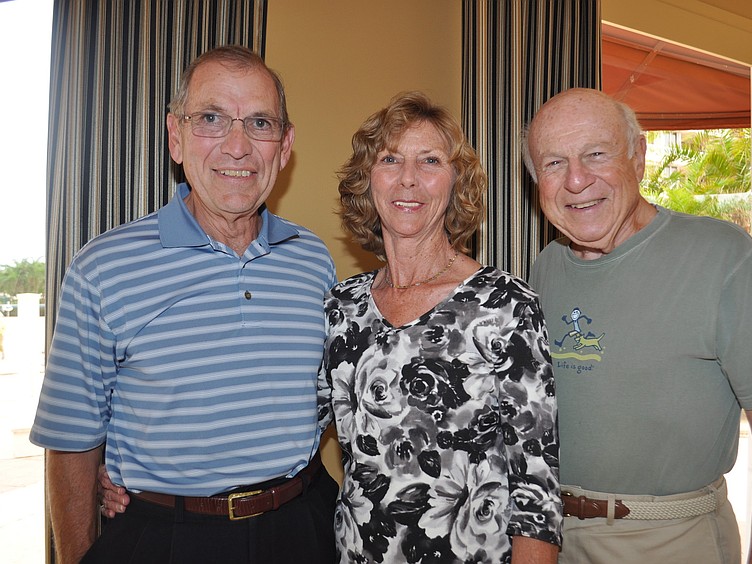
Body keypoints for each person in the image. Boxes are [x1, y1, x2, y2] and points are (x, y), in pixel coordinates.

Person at [29, 45, 338, 564]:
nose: (237, 146)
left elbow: (329, 399)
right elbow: (71, 441)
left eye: (260, 123)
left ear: (285, 147)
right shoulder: (102, 268)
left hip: (300, 524)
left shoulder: (314, 261)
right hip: (168, 538)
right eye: (212, 119)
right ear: (176, 136)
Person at [522, 88, 752, 564]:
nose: (577, 180)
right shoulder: (545, 269)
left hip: (670, 542)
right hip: (552, 538)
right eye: (554, 163)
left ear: (638, 156)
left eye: (596, 154)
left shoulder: (721, 255)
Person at [325, 91, 562, 563]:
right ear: (368, 181)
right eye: (390, 159)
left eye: (430, 161)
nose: (408, 179)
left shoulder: (504, 306)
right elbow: (291, 430)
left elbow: (536, 488)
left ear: (456, 183)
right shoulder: (341, 307)